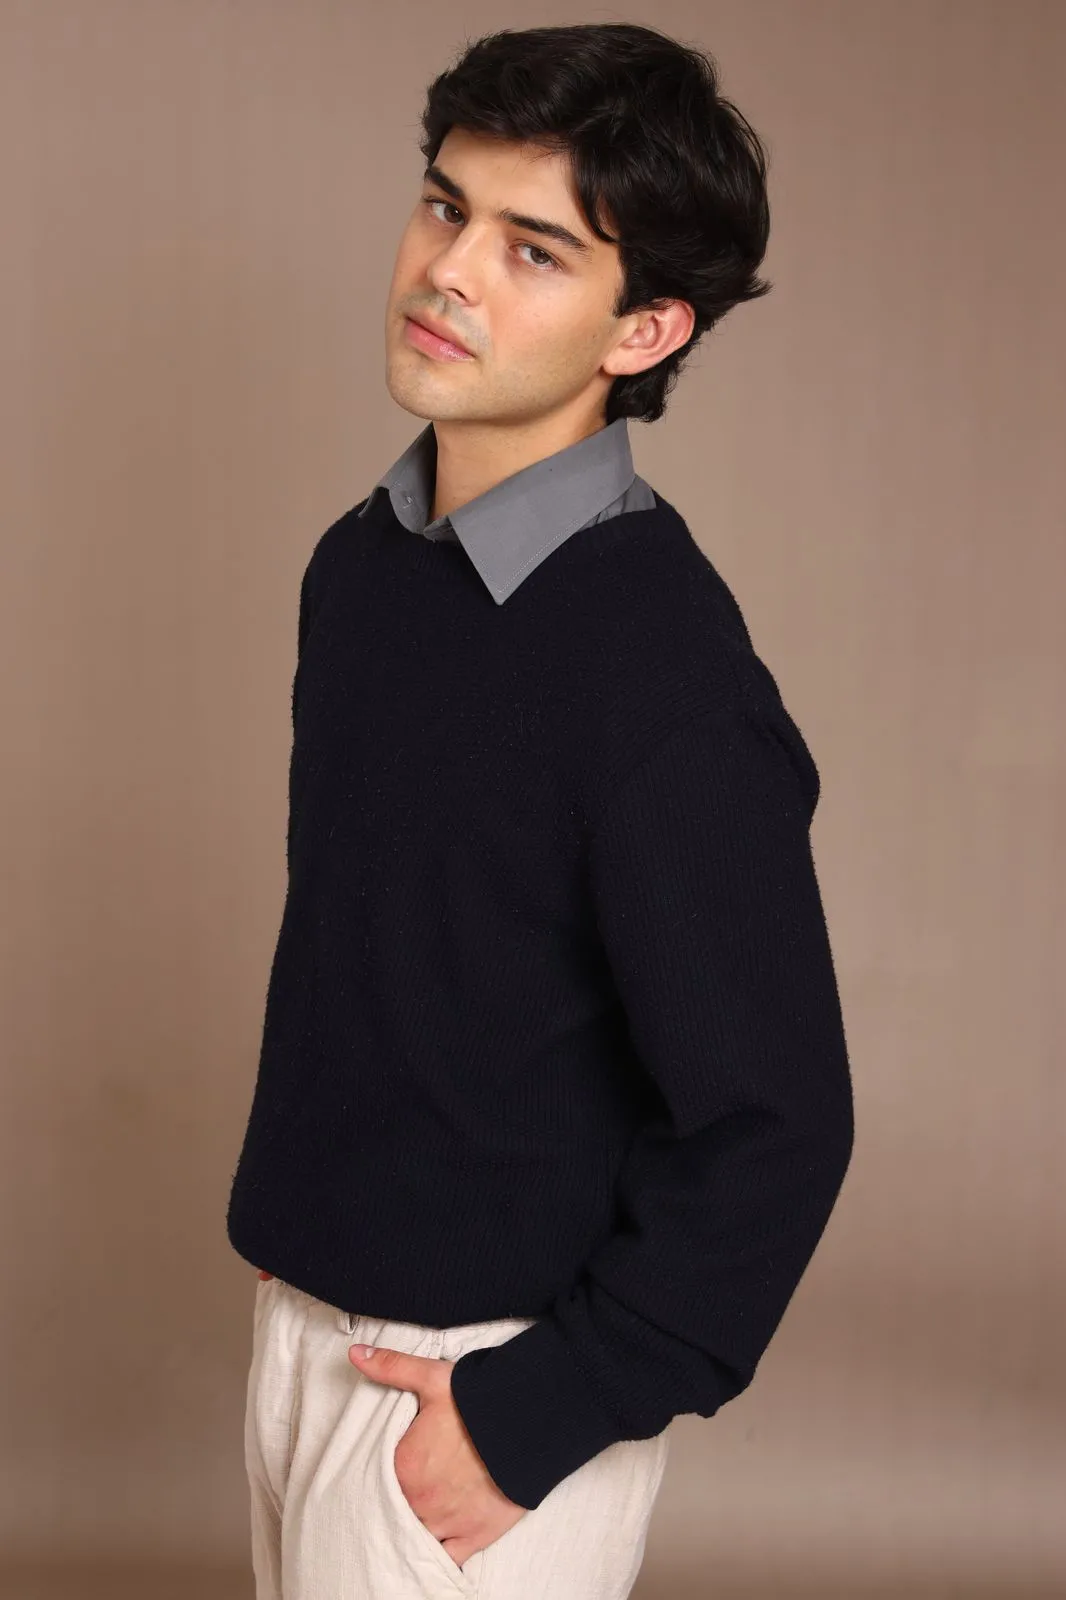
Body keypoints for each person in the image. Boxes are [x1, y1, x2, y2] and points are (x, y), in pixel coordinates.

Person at [226, 20, 855, 1600]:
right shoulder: (359, 569)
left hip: (487, 1385)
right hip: (302, 1336)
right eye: (444, 207)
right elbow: (399, 961)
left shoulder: (661, 672)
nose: (447, 272)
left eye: (532, 250)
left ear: (643, 329)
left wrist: (534, 1416)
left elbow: (775, 1121)